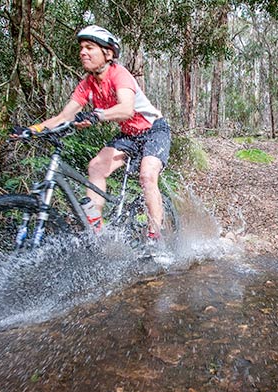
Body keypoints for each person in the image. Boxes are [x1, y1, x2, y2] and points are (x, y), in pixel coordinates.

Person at [14, 25, 171, 244]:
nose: (83, 52)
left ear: (107, 54)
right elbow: (64, 116)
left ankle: (155, 239)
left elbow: (126, 109)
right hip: (129, 134)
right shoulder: (87, 84)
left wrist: (97, 115)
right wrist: (33, 130)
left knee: (147, 175)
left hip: (154, 129)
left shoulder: (119, 75)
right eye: (81, 48)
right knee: (96, 166)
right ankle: (96, 231)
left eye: (90, 48)